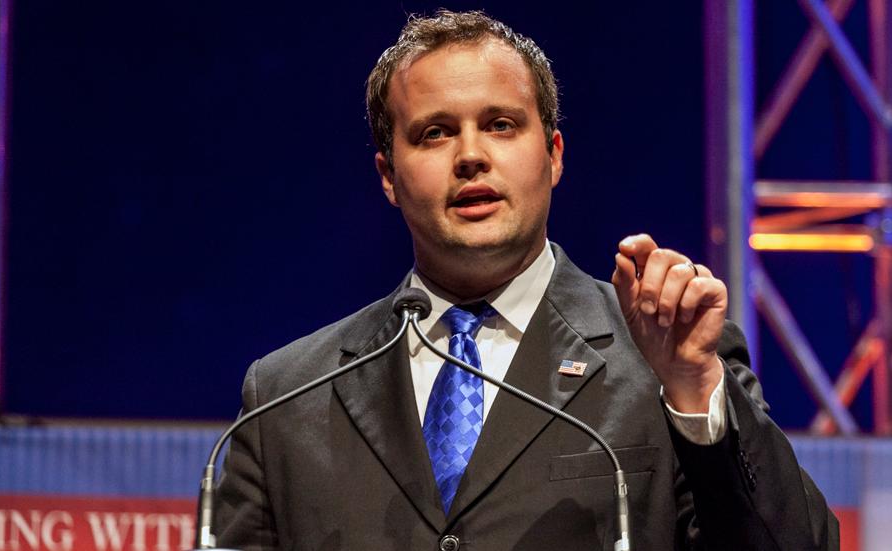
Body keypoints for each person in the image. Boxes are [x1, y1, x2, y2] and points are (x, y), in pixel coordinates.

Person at [215, 10, 838, 550]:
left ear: (555, 154)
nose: (470, 155)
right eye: (434, 132)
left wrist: (695, 390)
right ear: (388, 174)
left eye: (501, 125)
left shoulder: (663, 360)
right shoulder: (285, 397)